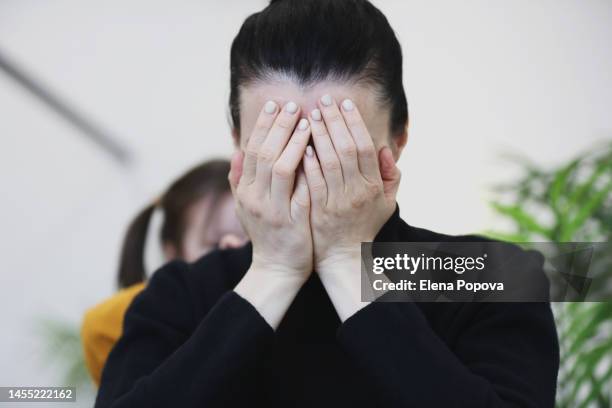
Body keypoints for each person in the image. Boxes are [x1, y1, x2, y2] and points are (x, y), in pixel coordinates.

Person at [95, 0, 559, 406]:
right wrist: (273, 272)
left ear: (397, 140)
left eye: (339, 149)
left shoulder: (494, 274)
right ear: (239, 146)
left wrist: (348, 264)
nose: (310, 176)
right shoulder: (180, 295)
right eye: (282, 148)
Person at [81, 159, 245, 386]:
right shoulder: (113, 323)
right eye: (216, 244)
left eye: (252, 239)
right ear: (172, 253)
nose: (236, 249)